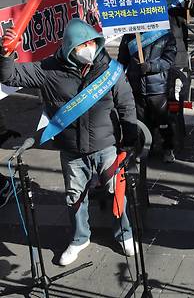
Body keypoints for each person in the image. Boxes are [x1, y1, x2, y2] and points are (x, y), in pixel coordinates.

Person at [0, 19, 138, 265]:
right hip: (71, 149)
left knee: (116, 191)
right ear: (70, 47)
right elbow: (9, 76)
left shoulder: (111, 69)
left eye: (93, 43)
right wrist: (6, 53)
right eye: (83, 44)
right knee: (75, 196)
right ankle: (79, 238)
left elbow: (126, 105)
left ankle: (124, 233)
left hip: (106, 145)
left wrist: (128, 142)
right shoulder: (49, 70)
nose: (89, 48)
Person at [118, 30, 178, 163]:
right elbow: (122, 60)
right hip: (136, 86)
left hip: (158, 88)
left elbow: (168, 60)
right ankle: (145, 149)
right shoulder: (129, 36)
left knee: (163, 121)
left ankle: (168, 148)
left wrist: (151, 66)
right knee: (142, 121)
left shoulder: (164, 34)